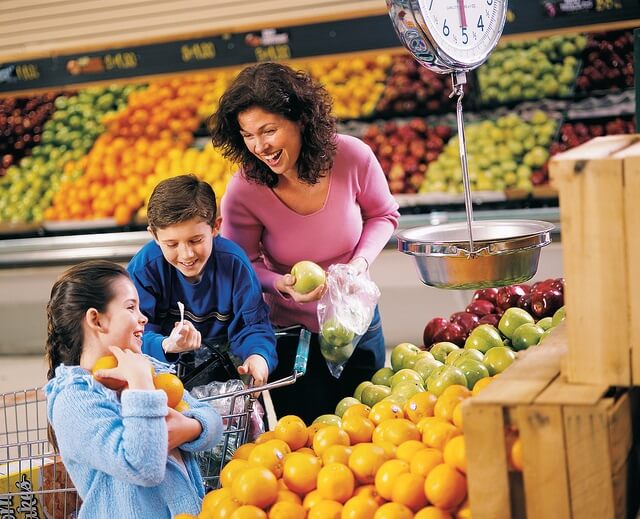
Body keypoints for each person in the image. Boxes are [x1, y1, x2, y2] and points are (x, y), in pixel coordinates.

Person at [209, 62, 400, 423]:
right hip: (290, 335)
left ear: (300, 119)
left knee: (374, 430)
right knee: (306, 440)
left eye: (269, 130)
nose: (259, 146)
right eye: (247, 135)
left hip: (356, 322)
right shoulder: (244, 190)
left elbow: (383, 215)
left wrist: (358, 265)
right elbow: (241, 262)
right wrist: (279, 284)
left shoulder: (352, 156)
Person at [44, 260, 223, 519]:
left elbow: (213, 420)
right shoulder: (74, 400)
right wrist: (140, 386)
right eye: (131, 307)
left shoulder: (148, 369)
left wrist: (191, 427)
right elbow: (142, 467)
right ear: (96, 319)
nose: (144, 317)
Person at [127, 174, 278, 387]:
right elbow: (129, 333)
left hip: (226, 382)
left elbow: (253, 326)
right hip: (160, 384)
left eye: (196, 240)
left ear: (216, 227)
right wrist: (166, 344)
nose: (187, 254)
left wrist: (257, 356)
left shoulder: (234, 264)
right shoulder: (145, 269)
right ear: (154, 235)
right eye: (171, 244)